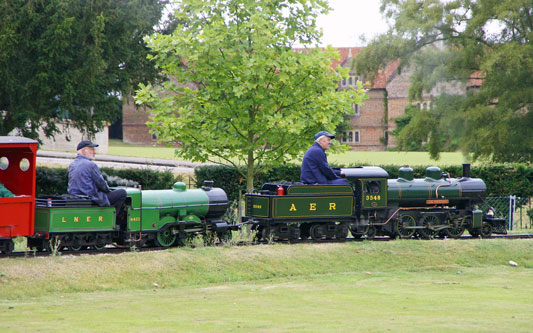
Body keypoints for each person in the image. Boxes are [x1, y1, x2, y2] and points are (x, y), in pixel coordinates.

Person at [68, 140, 126, 216]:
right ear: (84, 151)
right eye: (92, 149)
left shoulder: (72, 164)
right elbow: (101, 184)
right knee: (122, 193)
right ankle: (113, 219)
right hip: (90, 197)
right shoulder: (91, 165)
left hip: (75, 196)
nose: (94, 152)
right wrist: (108, 190)